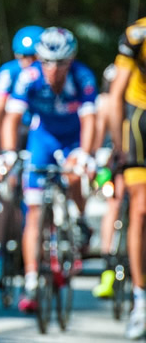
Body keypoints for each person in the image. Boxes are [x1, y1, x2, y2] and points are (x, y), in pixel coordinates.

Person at [0, 27, 97, 313]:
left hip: (73, 138)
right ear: (39, 60)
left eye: (61, 62)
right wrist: (8, 153)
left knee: (74, 173)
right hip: (42, 139)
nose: (53, 69)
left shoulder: (82, 76)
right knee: (34, 210)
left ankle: (79, 218)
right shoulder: (28, 78)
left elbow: (91, 120)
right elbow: (10, 118)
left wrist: (85, 154)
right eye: (47, 62)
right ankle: (30, 278)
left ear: (71, 59)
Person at [0, 25, 43, 278]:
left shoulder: (47, 74)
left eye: (32, 57)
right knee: (7, 186)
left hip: (39, 133)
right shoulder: (8, 72)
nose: (26, 62)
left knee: (44, 187)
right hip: (13, 134)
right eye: (21, 57)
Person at [110, 19, 146, 339]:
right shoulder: (138, 34)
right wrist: (117, 148)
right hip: (140, 121)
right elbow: (116, 93)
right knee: (141, 208)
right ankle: (141, 299)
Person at [91, 63, 126, 299]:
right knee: (113, 203)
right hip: (114, 160)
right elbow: (97, 138)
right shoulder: (104, 103)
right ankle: (107, 264)